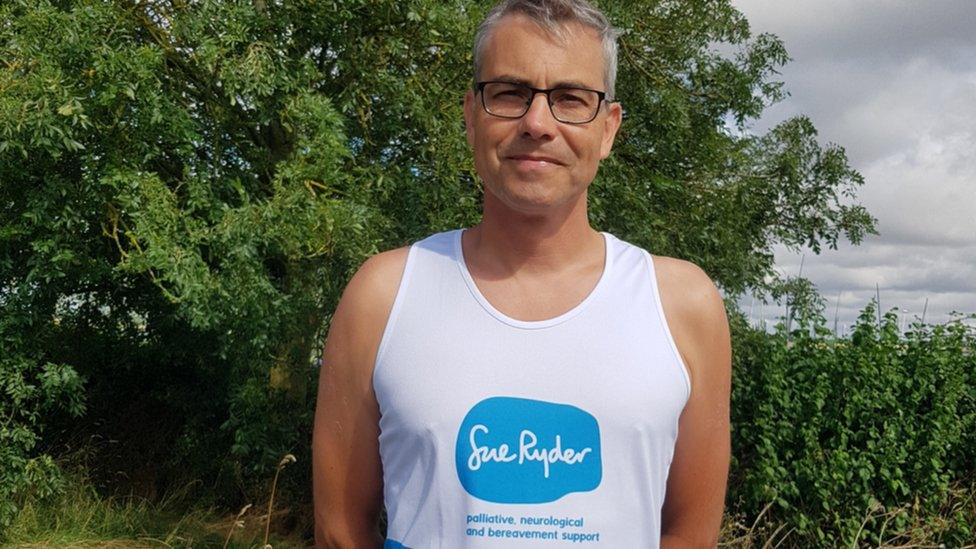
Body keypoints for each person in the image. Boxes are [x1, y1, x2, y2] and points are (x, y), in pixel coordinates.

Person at [312, 0, 731, 546]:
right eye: (509, 93)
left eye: (570, 99)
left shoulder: (684, 306)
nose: (538, 123)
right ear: (471, 114)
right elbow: (340, 532)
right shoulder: (382, 296)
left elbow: (690, 537)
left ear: (608, 129)